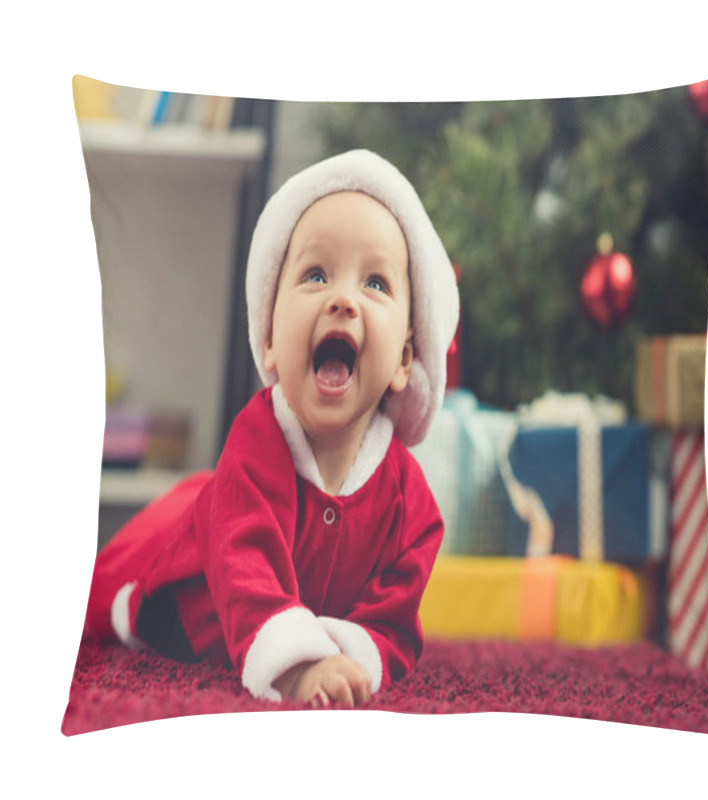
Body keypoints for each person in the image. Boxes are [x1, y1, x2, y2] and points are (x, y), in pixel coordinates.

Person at [82, 149, 460, 709]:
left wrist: (353, 656)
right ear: (269, 340)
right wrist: (301, 667)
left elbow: (394, 622)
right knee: (94, 590)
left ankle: (204, 498)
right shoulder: (259, 440)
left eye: (375, 284)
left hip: (224, 510)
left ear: (406, 360)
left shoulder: (412, 506)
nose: (343, 300)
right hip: (187, 594)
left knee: (206, 497)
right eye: (315, 274)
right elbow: (248, 570)